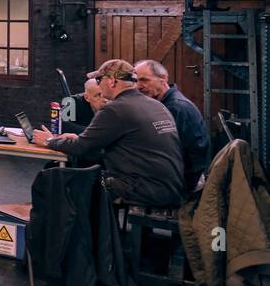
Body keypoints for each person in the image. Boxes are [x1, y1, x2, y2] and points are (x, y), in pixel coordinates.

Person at [33, 59, 186, 208]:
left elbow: (81, 147)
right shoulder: (156, 105)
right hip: (171, 185)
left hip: (145, 187)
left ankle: (83, 233)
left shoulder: (115, 108)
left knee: (69, 181)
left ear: (112, 81)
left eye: (99, 80)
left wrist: (49, 141)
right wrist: (80, 139)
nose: (98, 85)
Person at [134, 59, 210, 191]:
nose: (139, 86)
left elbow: (173, 152)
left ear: (163, 79)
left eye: (144, 80)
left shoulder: (175, 107)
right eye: (136, 81)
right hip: (181, 175)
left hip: (185, 180)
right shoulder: (165, 104)